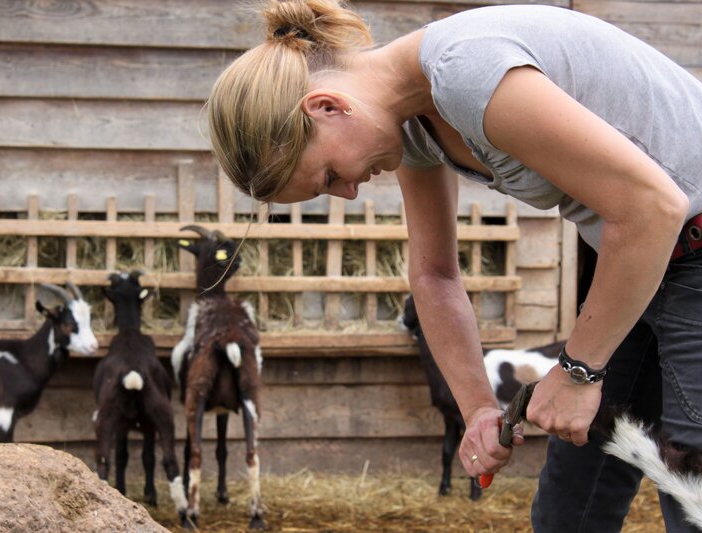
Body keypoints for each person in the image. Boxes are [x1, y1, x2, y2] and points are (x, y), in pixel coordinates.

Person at [206, 1, 702, 531]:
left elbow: (653, 207)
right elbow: (434, 274)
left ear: (326, 106)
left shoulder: (467, 71)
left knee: (691, 491)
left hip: (678, 246)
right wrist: (478, 412)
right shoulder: (414, 123)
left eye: (328, 176)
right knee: (569, 505)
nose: (349, 192)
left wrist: (579, 371)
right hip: (642, 264)